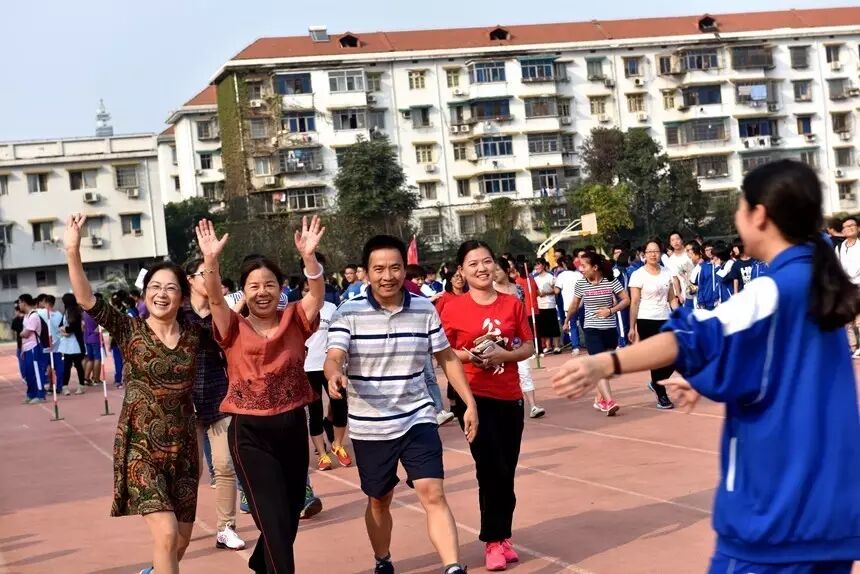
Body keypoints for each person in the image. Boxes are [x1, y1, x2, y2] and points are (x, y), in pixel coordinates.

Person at [552, 160, 860, 573]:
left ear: (759, 215)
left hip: (776, 516)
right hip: (830, 517)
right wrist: (704, 379)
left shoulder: (772, 291)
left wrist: (604, 363)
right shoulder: (821, 284)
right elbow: (779, 371)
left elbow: (686, 337)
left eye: (739, 207)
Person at [325, 234, 477, 574]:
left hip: (417, 416)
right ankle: (383, 559)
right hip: (371, 425)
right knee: (379, 499)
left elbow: (446, 357)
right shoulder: (348, 312)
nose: (387, 276)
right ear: (366, 272)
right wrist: (334, 374)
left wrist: (469, 402)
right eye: (379, 269)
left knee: (432, 492)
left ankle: (453, 567)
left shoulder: (423, 309)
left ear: (404, 270)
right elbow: (334, 356)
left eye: (395, 268)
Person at [64, 214, 201, 574]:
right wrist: (73, 251)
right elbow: (86, 299)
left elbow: (220, 310)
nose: (161, 294)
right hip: (141, 448)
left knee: (181, 541)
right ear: (144, 293)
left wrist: (211, 266)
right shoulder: (129, 330)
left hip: (184, 449)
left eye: (170, 288)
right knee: (166, 534)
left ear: (182, 296)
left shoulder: (195, 335)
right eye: (155, 287)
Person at [196, 216, 324, 574]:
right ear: (244, 292)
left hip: (292, 428)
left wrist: (309, 259)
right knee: (272, 518)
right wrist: (210, 261)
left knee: (289, 516)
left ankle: (260, 561)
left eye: (270, 284)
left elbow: (316, 295)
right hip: (250, 434)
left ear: (281, 288)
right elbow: (215, 298)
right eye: (254, 286)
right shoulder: (232, 326)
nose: (262, 292)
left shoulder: (295, 318)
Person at [440, 241, 535, 572]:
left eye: (486, 261)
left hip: (509, 396)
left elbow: (527, 346)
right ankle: (493, 541)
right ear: (461, 271)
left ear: (495, 265)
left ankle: (503, 536)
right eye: (473, 264)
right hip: (472, 398)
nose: (481, 268)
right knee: (490, 467)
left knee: (507, 469)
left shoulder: (512, 304)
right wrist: (472, 356)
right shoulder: (451, 308)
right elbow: (442, 352)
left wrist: (504, 355)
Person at [183, 258, 247, 551]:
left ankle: (226, 528)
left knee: (224, 465)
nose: (212, 279)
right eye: (204, 274)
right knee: (191, 470)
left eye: (215, 274)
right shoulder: (178, 313)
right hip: (185, 402)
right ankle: (180, 523)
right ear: (190, 279)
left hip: (219, 396)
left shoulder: (222, 311)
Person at [563, 251, 630, 416]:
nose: (581, 269)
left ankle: (599, 399)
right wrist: (567, 320)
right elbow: (574, 304)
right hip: (591, 329)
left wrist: (611, 310)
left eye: (584, 266)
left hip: (609, 328)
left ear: (595, 267)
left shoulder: (610, 281)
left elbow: (626, 299)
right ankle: (609, 402)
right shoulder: (581, 284)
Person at [300, 276, 351, 471]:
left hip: (330, 366)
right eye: (306, 289)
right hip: (307, 368)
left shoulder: (332, 309)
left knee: (340, 406)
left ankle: (337, 444)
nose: (310, 292)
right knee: (315, 412)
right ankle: (322, 454)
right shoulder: (297, 310)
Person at [628, 240, 679, 410]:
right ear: (644, 254)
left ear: (660, 253)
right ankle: (661, 394)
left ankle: (655, 382)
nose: (653, 254)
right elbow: (634, 302)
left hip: (665, 318)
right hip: (646, 319)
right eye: (649, 251)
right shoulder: (638, 275)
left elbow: (671, 298)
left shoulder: (666, 272)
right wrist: (632, 327)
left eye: (656, 251)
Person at [493, 257, 545, 418]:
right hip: (498, 336)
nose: (494, 274)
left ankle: (533, 405)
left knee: (524, 370)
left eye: (497, 270)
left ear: (506, 270)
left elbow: (521, 313)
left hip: (517, 337)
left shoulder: (518, 289)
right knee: (501, 373)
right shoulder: (490, 290)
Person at [835, 216, 860, 358]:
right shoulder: (839, 247)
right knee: (847, 321)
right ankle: (852, 346)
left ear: (858, 228)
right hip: (845, 289)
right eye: (845, 227)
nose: (849, 228)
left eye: (852, 225)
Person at [17, 294, 48, 403]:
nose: (18, 305)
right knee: (28, 372)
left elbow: (25, 333)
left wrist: (21, 333)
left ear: (24, 302)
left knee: (36, 372)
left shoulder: (34, 316)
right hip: (27, 348)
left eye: (19, 302)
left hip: (34, 347)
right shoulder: (26, 316)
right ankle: (31, 394)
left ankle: (40, 395)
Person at [554, 257, 584, 354]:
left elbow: (556, 291)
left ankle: (575, 346)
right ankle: (588, 343)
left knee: (573, 325)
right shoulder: (579, 274)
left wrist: (552, 286)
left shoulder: (562, 275)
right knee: (584, 324)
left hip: (569, 304)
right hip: (582, 302)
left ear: (563, 264)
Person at [36, 294, 65, 394]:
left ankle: (42, 388)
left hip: (45, 346)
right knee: (59, 367)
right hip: (56, 345)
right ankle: (59, 387)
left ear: (45, 302)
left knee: (42, 368)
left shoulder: (39, 312)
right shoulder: (59, 315)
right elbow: (62, 328)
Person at [58, 293, 86, 395]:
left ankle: (81, 386)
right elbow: (60, 325)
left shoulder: (76, 312)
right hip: (67, 344)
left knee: (78, 365)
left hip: (75, 344)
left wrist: (64, 330)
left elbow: (73, 328)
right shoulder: (65, 312)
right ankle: (65, 386)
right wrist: (63, 330)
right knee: (67, 366)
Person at [532, 258, 561, 354]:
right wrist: (539, 293)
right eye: (535, 265)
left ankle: (557, 346)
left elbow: (556, 290)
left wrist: (547, 292)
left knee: (554, 326)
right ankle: (548, 346)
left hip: (550, 304)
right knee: (544, 327)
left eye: (538, 264)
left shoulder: (550, 276)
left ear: (543, 265)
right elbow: (535, 292)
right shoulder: (535, 279)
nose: (537, 267)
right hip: (540, 305)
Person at [82, 300, 102, 387]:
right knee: (97, 358)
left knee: (90, 359)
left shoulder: (84, 313)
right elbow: (98, 328)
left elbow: (82, 327)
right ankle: (96, 378)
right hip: (95, 338)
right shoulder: (96, 314)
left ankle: (86, 378)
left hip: (87, 338)